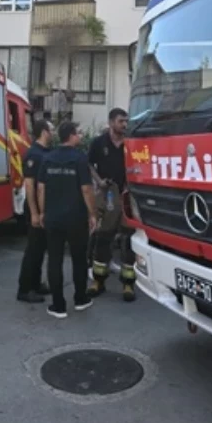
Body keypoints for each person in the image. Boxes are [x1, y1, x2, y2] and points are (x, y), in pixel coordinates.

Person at [37, 121, 97, 318]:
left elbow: (41, 188)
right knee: (79, 259)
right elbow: (86, 189)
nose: (80, 136)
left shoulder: (48, 158)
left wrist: (42, 212)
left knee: (54, 260)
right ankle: (80, 299)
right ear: (71, 136)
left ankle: (58, 305)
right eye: (78, 133)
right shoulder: (80, 159)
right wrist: (92, 214)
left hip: (53, 218)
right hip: (76, 219)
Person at [87, 108, 136, 302]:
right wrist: (99, 181)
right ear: (110, 122)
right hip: (107, 195)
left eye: (126, 121)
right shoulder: (99, 143)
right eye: (120, 121)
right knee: (103, 238)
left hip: (127, 196)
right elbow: (89, 164)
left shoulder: (131, 144)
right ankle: (98, 281)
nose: (124, 125)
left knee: (128, 241)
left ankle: (128, 284)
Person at [16, 119, 54, 303]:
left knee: (40, 249)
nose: (53, 132)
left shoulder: (45, 152)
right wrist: (34, 213)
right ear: (45, 131)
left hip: (44, 208)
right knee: (33, 250)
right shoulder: (34, 154)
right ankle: (25, 289)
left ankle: (36, 284)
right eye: (52, 129)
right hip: (35, 209)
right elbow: (30, 186)